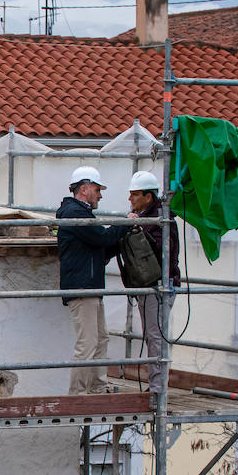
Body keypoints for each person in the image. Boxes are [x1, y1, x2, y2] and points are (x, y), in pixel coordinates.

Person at [57, 165, 128, 394]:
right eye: (97, 189)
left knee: (100, 339)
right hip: (83, 287)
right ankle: (77, 395)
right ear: (85, 188)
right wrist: (124, 225)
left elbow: (99, 246)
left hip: (90, 286)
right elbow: (101, 238)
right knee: (87, 344)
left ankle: (98, 387)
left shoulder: (81, 214)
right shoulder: (74, 214)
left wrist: (116, 239)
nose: (100, 195)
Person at [126, 170, 180, 396]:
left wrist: (138, 228)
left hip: (159, 286)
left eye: (135, 195)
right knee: (152, 335)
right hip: (150, 285)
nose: (130, 199)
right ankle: (156, 385)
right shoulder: (152, 218)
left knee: (156, 336)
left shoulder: (160, 220)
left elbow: (158, 251)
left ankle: (158, 389)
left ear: (148, 197)